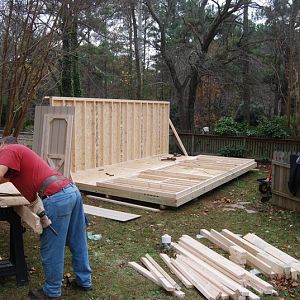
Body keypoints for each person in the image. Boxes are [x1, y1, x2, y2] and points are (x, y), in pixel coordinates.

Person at [0, 136, 92, 299]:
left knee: (52, 247)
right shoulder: (21, 156)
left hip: (57, 197)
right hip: (71, 191)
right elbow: (5, 178)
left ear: (3, 144)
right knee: (77, 240)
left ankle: (52, 291)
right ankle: (84, 281)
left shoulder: (9, 149)